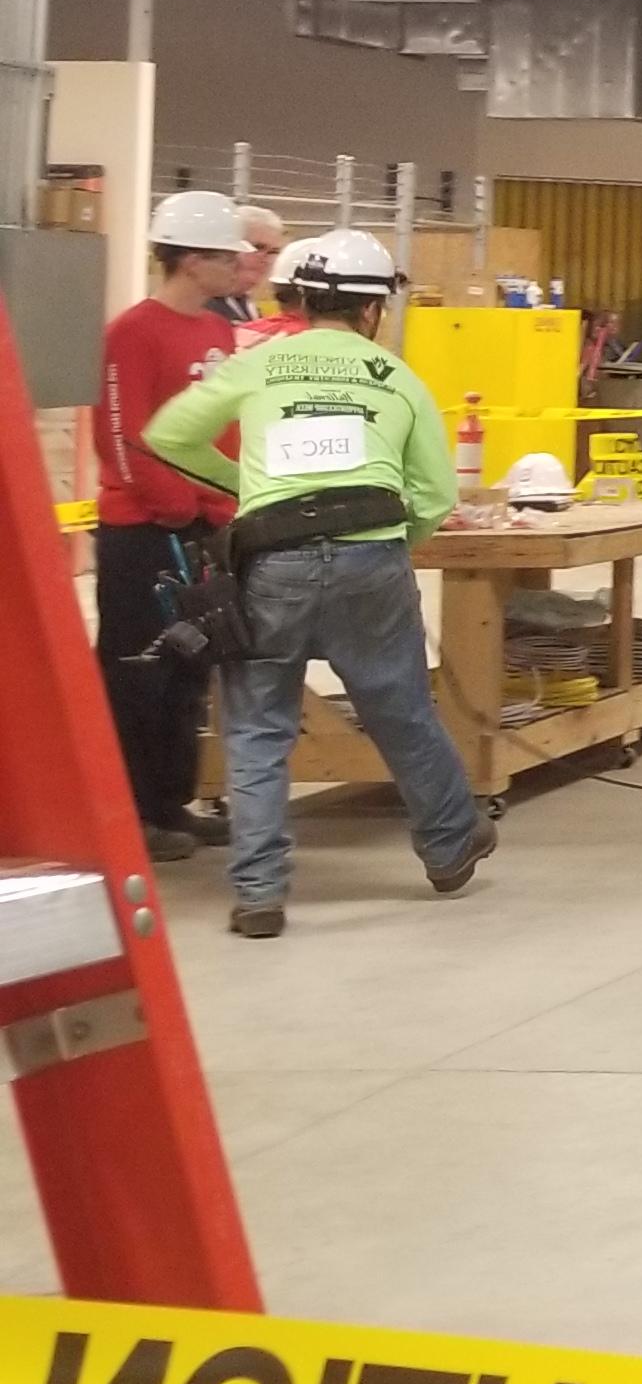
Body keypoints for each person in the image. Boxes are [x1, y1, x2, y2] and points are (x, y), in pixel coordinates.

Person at [140, 231, 492, 939]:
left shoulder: (261, 363)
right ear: (372, 312)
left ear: (302, 303)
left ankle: (261, 894)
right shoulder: (397, 379)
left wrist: (253, 493)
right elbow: (431, 492)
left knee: (259, 727)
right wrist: (392, 547)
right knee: (401, 712)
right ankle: (451, 845)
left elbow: (169, 434)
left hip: (274, 562)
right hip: (371, 563)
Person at [91, 189, 254, 863]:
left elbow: (233, 430)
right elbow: (120, 436)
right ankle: (133, 811)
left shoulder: (220, 333)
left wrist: (228, 503)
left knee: (192, 672)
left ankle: (172, 803)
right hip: (144, 532)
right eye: (227, 258)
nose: (240, 270)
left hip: (207, 528)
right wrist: (177, 504)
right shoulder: (133, 331)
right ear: (191, 260)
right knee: (139, 672)